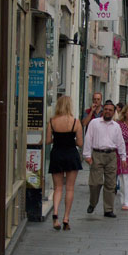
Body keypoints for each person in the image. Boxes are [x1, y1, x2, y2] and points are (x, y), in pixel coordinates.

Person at [83, 100, 127, 218]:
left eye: (110, 110)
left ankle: (108, 209)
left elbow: (120, 142)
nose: (108, 112)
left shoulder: (116, 126)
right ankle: (93, 202)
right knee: (95, 183)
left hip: (111, 155)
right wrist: (87, 155)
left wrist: (123, 157)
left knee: (110, 184)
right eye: (106, 109)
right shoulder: (94, 123)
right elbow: (88, 138)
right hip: (97, 154)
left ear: (114, 112)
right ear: (103, 111)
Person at [46, 96, 83, 231]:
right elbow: (80, 143)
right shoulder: (76, 122)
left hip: (57, 154)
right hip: (71, 155)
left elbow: (48, 140)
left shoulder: (52, 121)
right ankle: (66, 218)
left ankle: (55, 213)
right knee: (70, 188)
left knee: (58, 188)